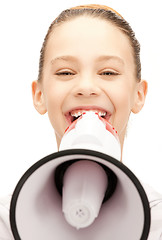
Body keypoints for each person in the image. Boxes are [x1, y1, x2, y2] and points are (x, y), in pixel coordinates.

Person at [0, 4, 162, 239]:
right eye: (65, 72)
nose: (86, 87)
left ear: (139, 95)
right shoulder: (6, 223)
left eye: (108, 73)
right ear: (39, 95)